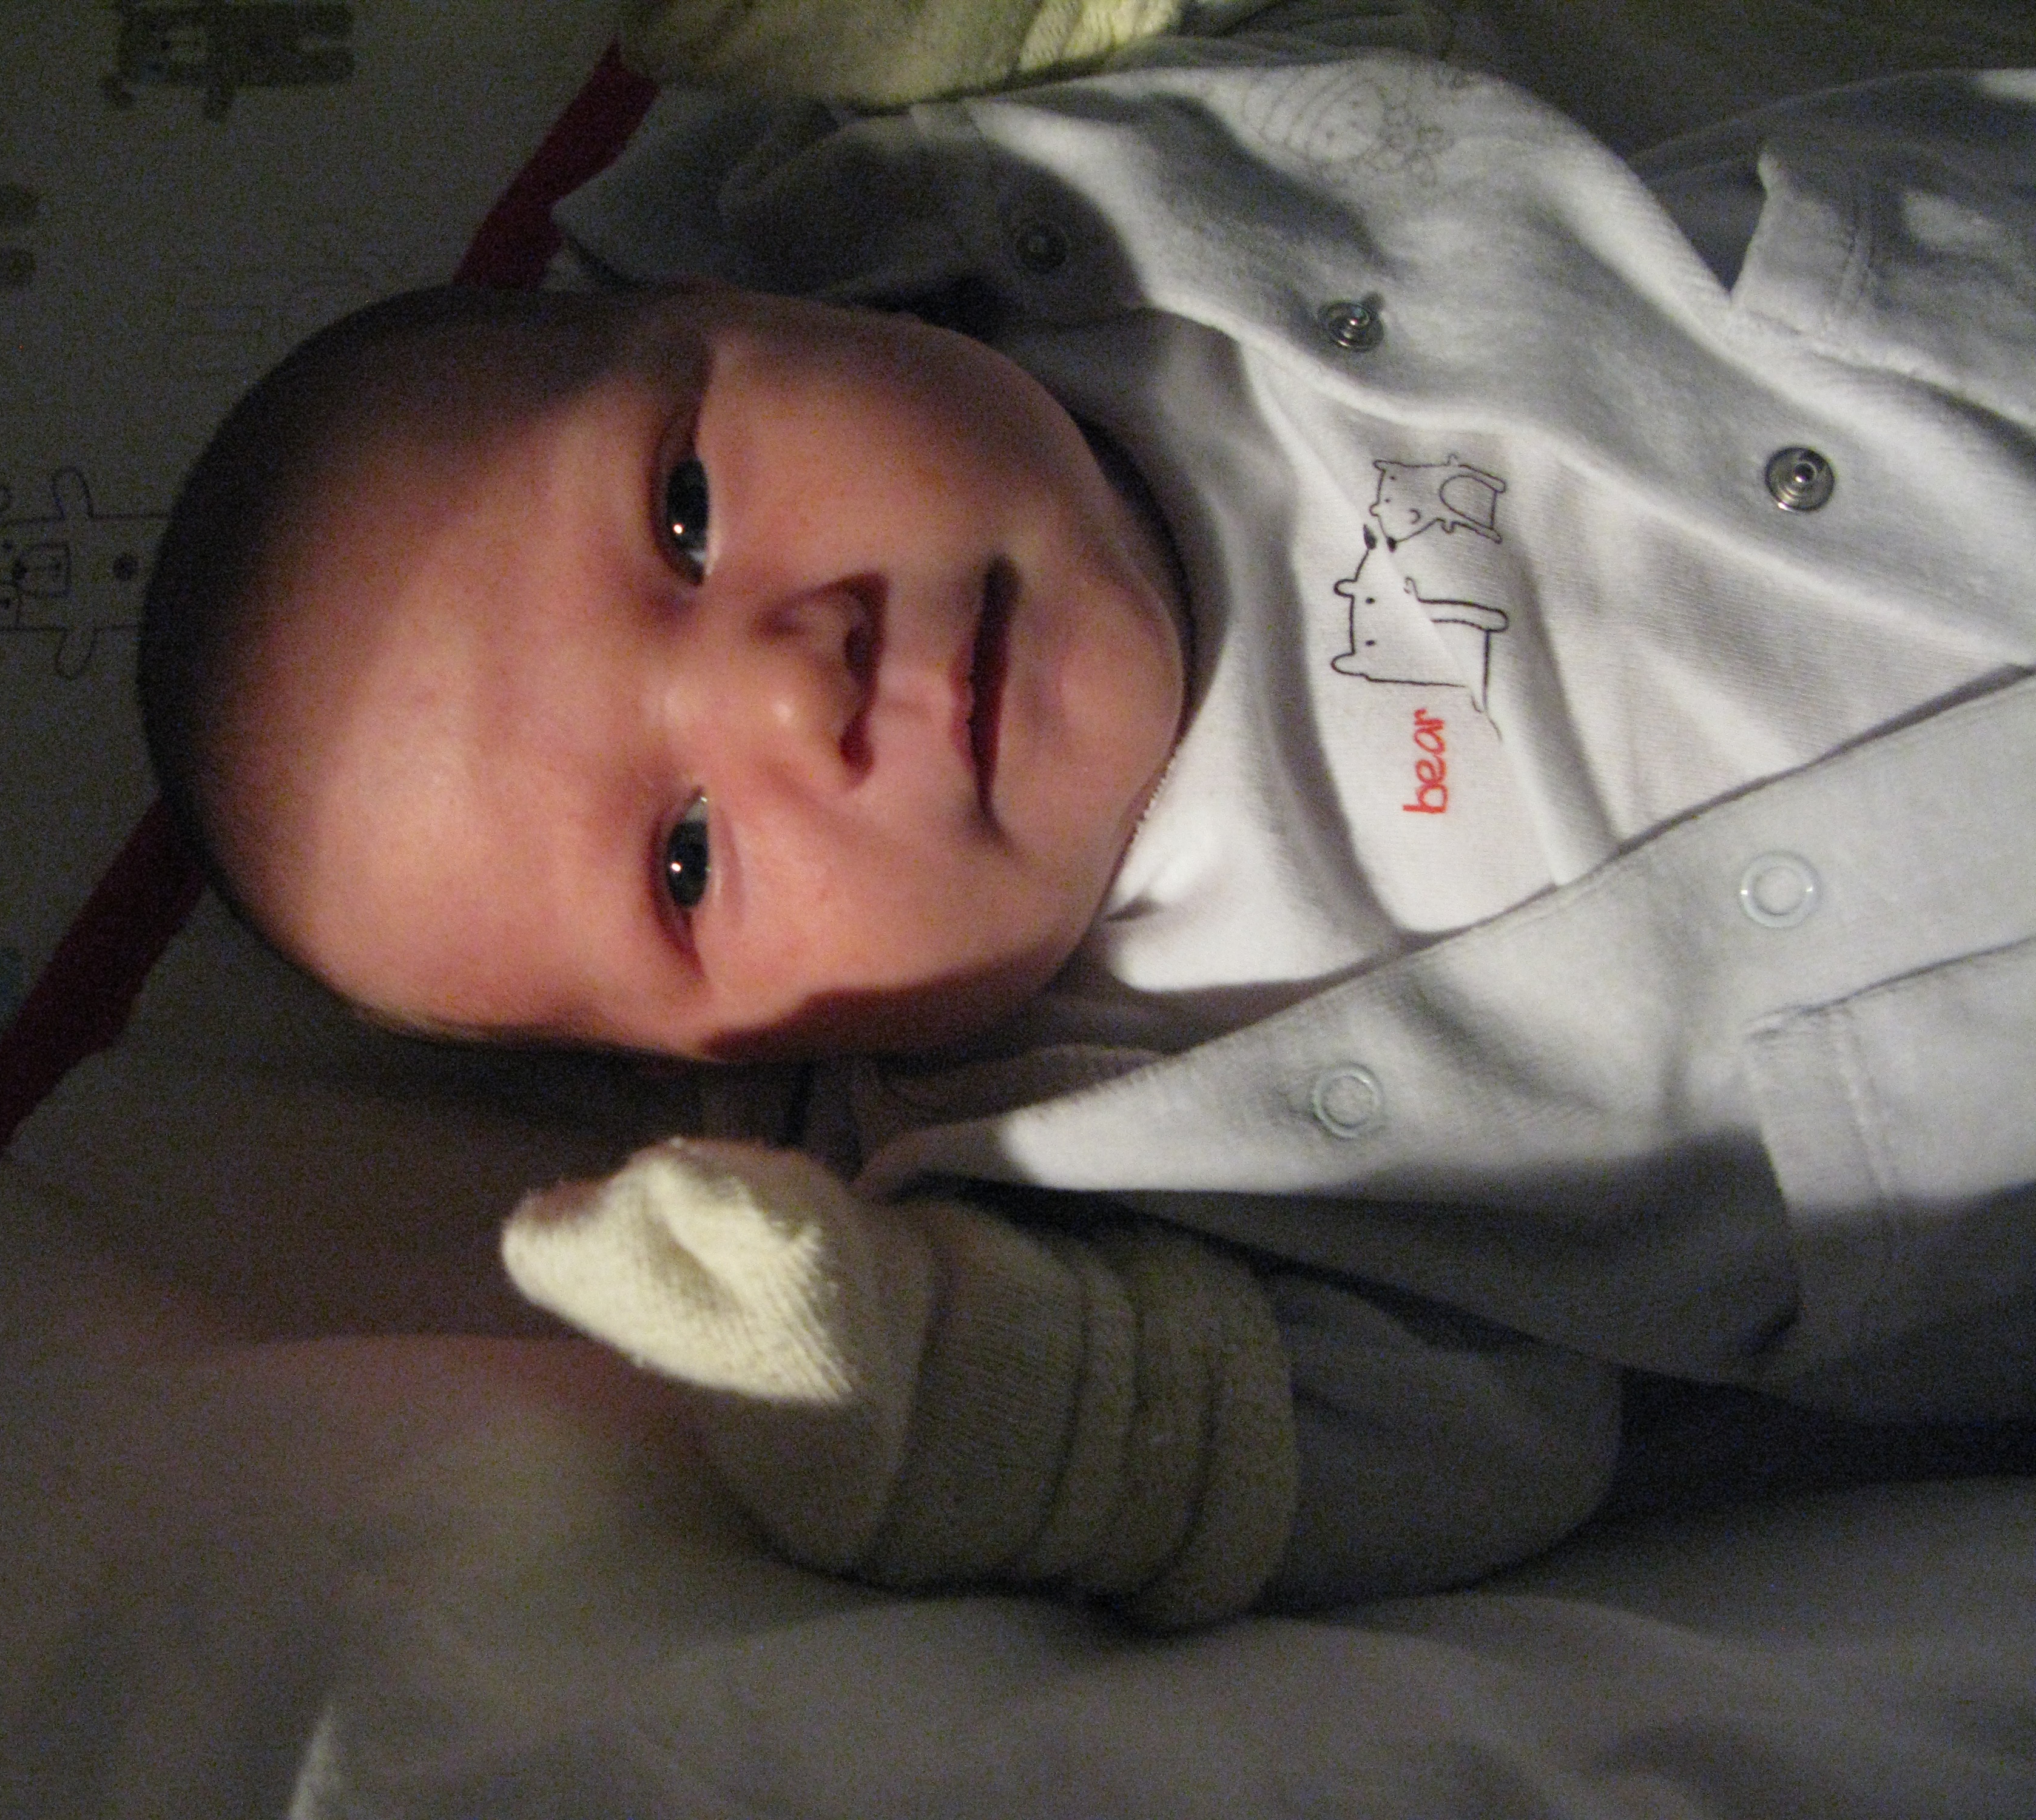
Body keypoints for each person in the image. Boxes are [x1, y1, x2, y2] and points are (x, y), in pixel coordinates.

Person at [137, 30, 2036, 1623]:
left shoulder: (1055, 214)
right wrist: (917, 1379)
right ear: (723, 1065)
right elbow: (1453, 1448)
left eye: (688, 512)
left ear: (749, 304)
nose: (795, 686)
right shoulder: (1083, 1154)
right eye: (685, 863)